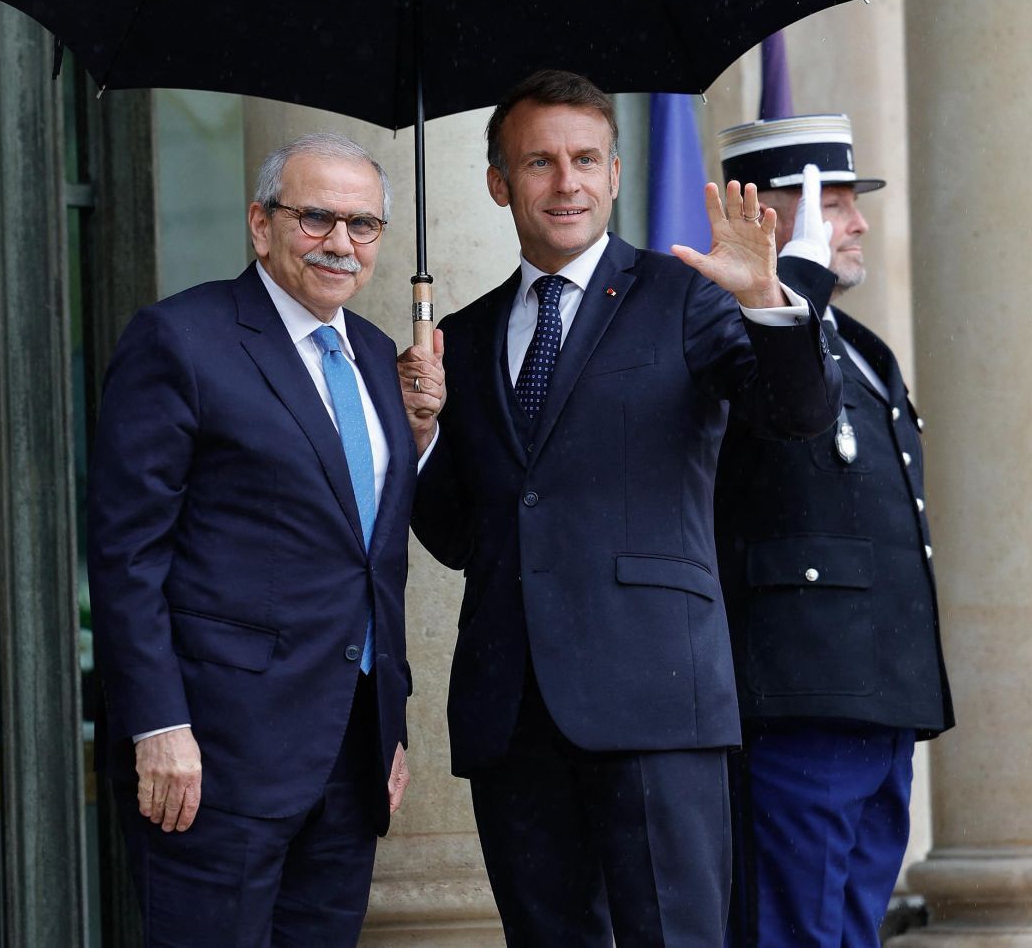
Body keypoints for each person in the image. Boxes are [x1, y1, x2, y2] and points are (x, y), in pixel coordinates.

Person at [401, 69, 842, 947]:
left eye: (585, 159)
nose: (565, 182)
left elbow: (796, 417)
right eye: (539, 162)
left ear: (612, 173)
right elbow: (461, 535)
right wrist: (422, 434)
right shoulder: (465, 332)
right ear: (500, 183)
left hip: (656, 700)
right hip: (512, 712)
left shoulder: (688, 297)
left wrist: (763, 298)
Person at [87, 131, 432, 946]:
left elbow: (371, 559)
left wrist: (389, 716)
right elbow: (126, 552)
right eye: (315, 217)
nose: (341, 243)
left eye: (363, 224)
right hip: (213, 759)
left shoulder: (382, 358)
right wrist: (158, 723)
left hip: (349, 759)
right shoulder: (181, 339)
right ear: (259, 223)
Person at [712, 115, 952, 948]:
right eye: (836, 204)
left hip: (875, 698)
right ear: (770, 217)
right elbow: (780, 411)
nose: (856, 224)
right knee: (795, 932)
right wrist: (788, 288)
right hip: (798, 705)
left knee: (851, 931)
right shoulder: (728, 329)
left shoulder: (859, 343)